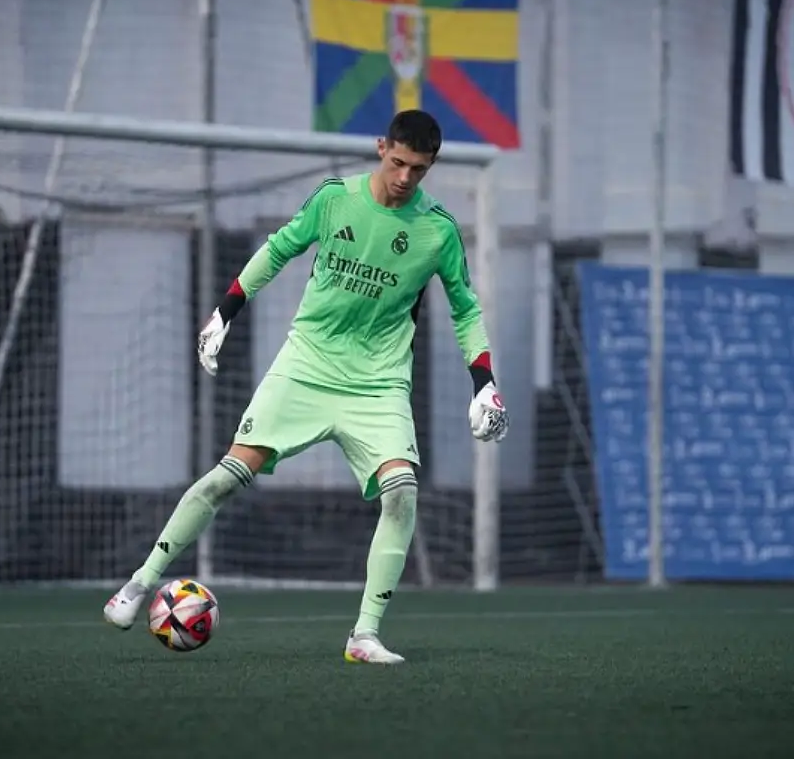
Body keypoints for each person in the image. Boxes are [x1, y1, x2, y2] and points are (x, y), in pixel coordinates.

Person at [103, 109, 508, 664]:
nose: (406, 178)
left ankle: (364, 635)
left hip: (379, 383)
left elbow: (465, 310)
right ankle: (138, 585)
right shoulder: (334, 198)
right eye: (398, 163)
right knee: (224, 480)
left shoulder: (438, 230)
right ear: (380, 148)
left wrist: (484, 383)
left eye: (419, 168)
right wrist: (224, 313)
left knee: (402, 494)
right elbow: (278, 249)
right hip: (305, 366)